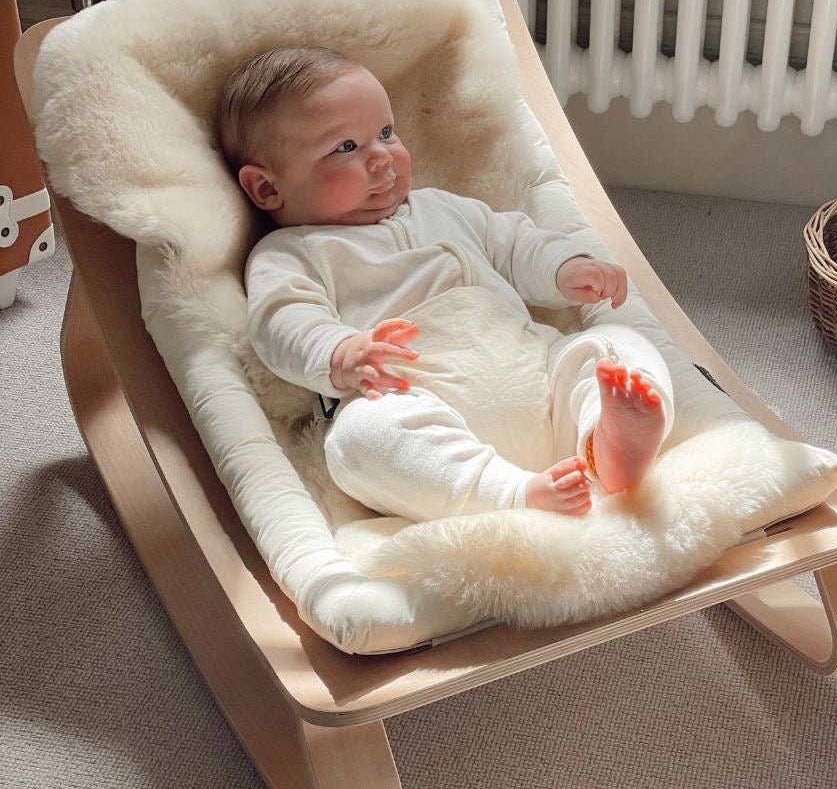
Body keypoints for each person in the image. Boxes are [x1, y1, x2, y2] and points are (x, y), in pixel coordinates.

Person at [216, 46, 675, 522]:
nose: (382, 159)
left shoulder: (445, 207)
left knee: (618, 347)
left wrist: (564, 267)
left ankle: (609, 440)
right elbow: (282, 320)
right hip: (415, 395)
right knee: (359, 439)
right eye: (346, 148)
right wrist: (341, 352)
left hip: (536, 373)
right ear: (267, 188)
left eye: (386, 133)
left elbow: (514, 243)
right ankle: (511, 492)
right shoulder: (292, 252)